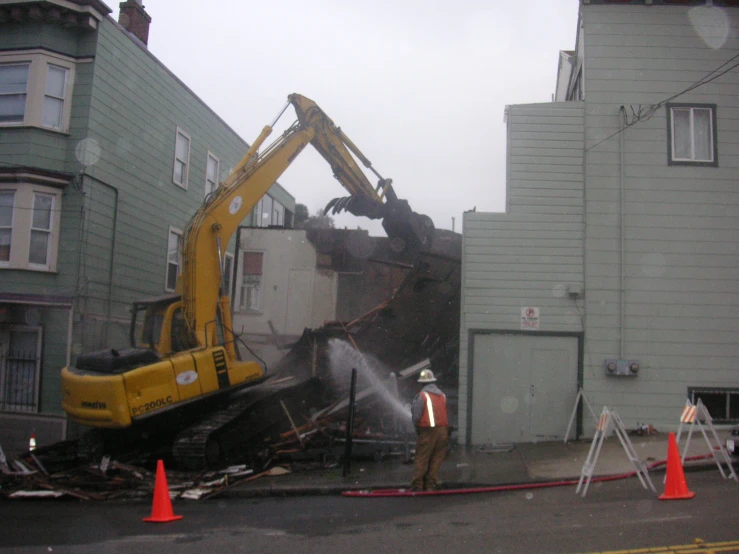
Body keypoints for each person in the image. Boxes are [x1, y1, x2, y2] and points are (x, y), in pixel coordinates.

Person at [410, 369, 449, 492]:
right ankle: (431, 485)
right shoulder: (442, 395)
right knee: (436, 458)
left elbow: (416, 416)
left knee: (422, 458)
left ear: (422, 383)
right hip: (443, 431)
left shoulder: (422, 396)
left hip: (427, 431)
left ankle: (418, 486)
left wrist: (418, 431)